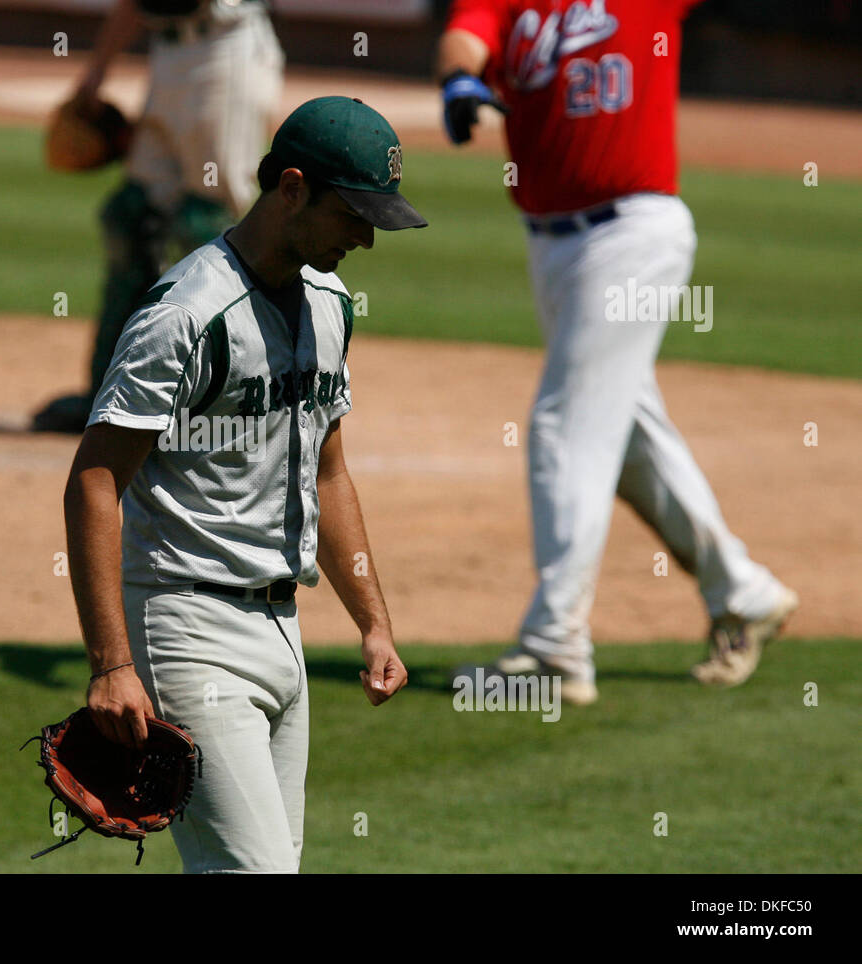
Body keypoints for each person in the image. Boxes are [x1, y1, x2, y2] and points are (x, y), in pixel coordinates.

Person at [63, 96, 422, 873]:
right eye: (352, 214)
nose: (365, 236)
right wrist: (111, 665)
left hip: (285, 631)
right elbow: (94, 480)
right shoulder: (184, 316)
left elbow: (328, 470)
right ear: (291, 187)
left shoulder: (330, 304)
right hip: (188, 630)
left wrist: (373, 621)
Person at [438, 0, 797, 705]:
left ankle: (555, 649)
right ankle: (745, 592)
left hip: (633, 231)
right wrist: (458, 81)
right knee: (625, 433)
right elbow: (463, 37)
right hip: (550, 244)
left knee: (562, 426)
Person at [33, 0, 285, 433]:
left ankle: (221, 399)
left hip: (225, 52)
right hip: (168, 53)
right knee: (131, 218)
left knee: (206, 224)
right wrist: (96, 73)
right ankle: (110, 394)